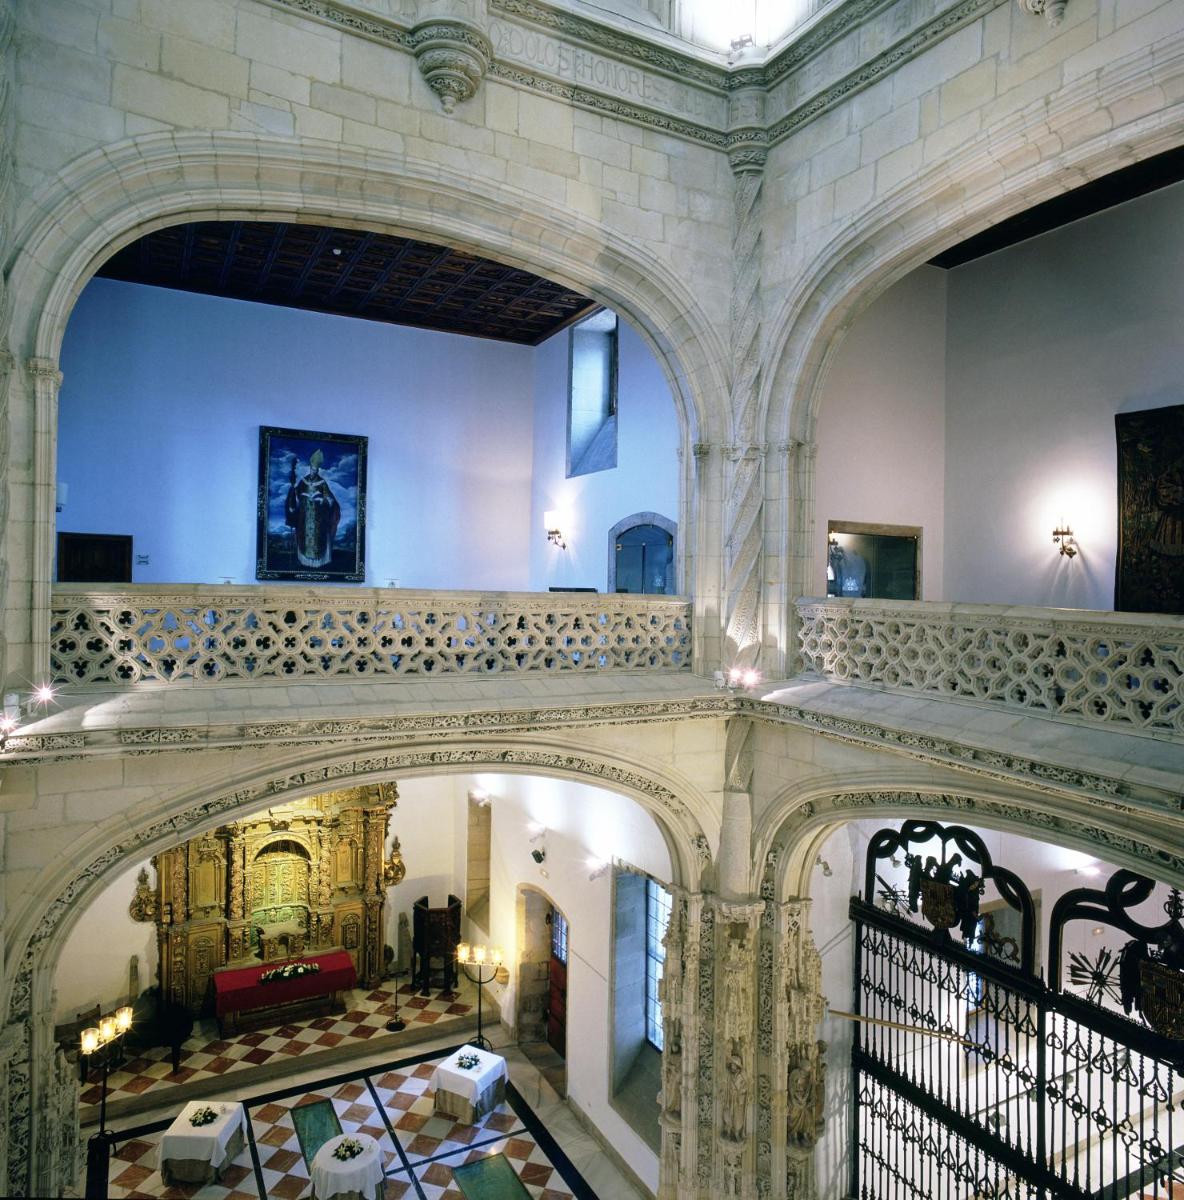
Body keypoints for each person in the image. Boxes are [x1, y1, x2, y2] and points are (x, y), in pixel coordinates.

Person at [285, 449, 340, 569]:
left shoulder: (322, 482)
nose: (313, 472)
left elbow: (329, 498)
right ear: (310, 468)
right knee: (304, 537)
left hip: (318, 516)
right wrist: (294, 493)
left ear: (317, 470)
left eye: (315, 470)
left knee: (318, 538)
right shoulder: (303, 481)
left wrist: (321, 499)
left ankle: (318, 562)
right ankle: (305, 561)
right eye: (311, 469)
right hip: (305, 515)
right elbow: (297, 494)